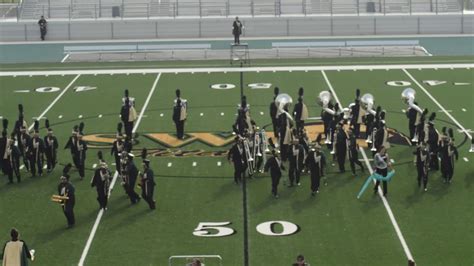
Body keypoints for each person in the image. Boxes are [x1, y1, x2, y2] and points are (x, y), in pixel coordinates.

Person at [58, 164, 75, 228]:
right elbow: (59, 193)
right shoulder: (60, 185)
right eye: (62, 179)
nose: (62, 180)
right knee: (65, 212)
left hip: (70, 201)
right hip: (63, 201)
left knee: (68, 211)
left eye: (64, 179)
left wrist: (66, 197)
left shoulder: (70, 186)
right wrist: (60, 199)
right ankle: (69, 221)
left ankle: (72, 222)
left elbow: (71, 193)